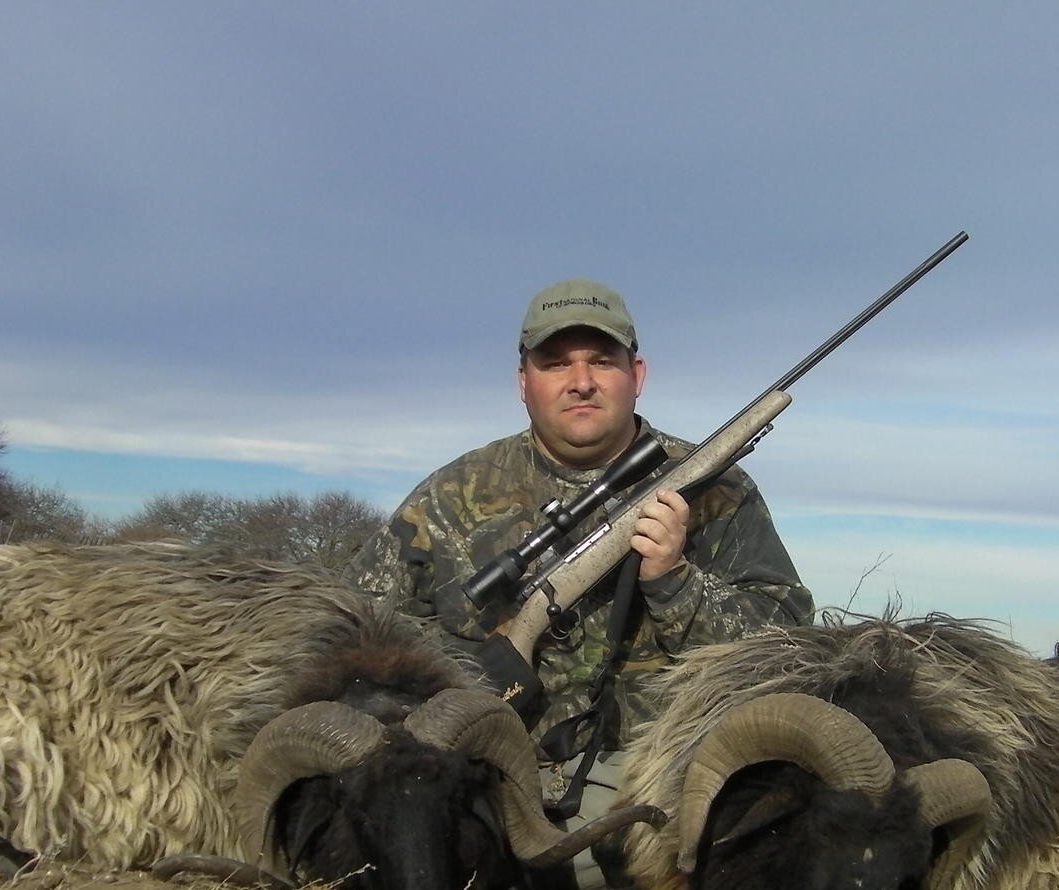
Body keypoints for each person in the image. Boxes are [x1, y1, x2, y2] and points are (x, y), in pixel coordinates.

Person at [346, 277, 813, 788]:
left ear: (637, 375)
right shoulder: (450, 495)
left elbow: (788, 651)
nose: (581, 381)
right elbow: (351, 635)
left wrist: (677, 584)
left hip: (655, 785)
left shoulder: (715, 487)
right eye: (555, 363)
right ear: (523, 382)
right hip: (478, 782)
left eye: (602, 361)